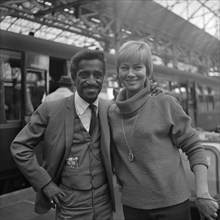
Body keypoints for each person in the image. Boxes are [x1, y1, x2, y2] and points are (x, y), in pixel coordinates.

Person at [108, 40, 219, 220]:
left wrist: (203, 194)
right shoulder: (111, 112)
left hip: (172, 205)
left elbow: (194, 147)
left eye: (137, 67)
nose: (130, 74)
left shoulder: (164, 103)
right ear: (118, 71)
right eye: (124, 68)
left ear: (147, 71)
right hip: (133, 206)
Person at [10, 49, 115, 220]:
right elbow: (19, 146)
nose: (91, 81)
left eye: (97, 74)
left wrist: (152, 93)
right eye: (84, 74)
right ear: (74, 78)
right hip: (70, 202)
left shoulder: (109, 108)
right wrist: (45, 183)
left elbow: (135, 112)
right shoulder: (50, 110)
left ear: (103, 77)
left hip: (104, 202)